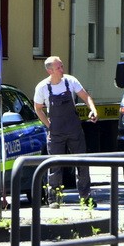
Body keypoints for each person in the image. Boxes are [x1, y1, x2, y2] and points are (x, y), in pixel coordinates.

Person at [33, 56, 98, 207]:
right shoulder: (42, 87)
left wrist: (93, 110)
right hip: (56, 132)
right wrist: (49, 125)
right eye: (58, 68)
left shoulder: (70, 81)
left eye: (62, 66)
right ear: (50, 70)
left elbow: (86, 97)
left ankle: (85, 197)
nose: (62, 70)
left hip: (74, 129)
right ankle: (54, 199)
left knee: (82, 163)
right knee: (55, 165)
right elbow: (38, 108)